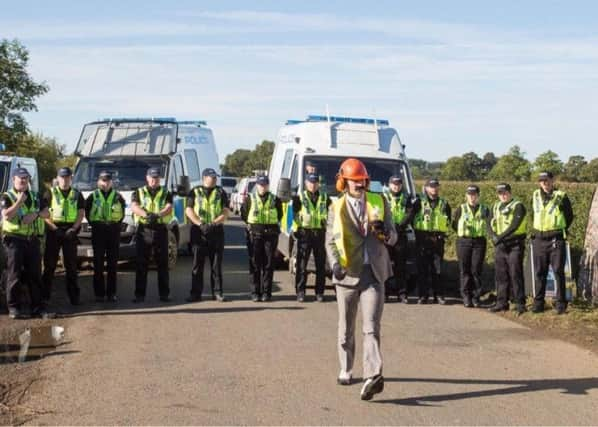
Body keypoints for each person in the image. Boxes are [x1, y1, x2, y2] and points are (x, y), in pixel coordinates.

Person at [326, 158, 397, 401]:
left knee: (371, 327)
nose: (359, 184)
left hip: (374, 273)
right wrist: (334, 264)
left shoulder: (379, 201)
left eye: (361, 180)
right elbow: (330, 240)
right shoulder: (335, 207)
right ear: (343, 182)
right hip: (347, 273)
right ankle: (346, 368)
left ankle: (372, 376)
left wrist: (385, 234)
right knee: (346, 327)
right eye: (354, 180)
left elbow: (394, 236)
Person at [1, 168, 51, 319]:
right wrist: (19, 202)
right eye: (20, 178)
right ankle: (14, 308)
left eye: (26, 178)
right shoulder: (7, 196)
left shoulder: (35, 195)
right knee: (14, 275)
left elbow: (47, 213)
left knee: (35, 275)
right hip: (14, 240)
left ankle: (37, 307)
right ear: (14, 179)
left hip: (32, 239)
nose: (23, 180)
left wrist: (35, 215)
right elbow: (7, 215)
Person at [530, 171, 574, 314]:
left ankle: (561, 304)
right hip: (539, 239)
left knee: (558, 272)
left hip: (556, 239)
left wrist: (559, 230)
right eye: (541, 180)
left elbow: (569, 216)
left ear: (552, 180)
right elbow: (533, 214)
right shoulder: (535, 195)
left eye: (547, 180)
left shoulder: (561, 196)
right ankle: (538, 303)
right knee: (539, 273)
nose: (544, 183)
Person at [185, 168, 230, 302]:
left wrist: (214, 223)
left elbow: (226, 211)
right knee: (197, 265)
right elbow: (189, 210)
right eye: (212, 177)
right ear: (204, 178)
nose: (214, 179)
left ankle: (217, 292)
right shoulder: (194, 192)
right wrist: (200, 224)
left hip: (216, 231)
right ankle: (195, 293)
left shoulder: (221, 192)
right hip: (199, 231)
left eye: (215, 177)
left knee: (216, 264)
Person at [42, 167, 85, 306]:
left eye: (67, 177)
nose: (65, 180)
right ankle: (45, 297)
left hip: (70, 232)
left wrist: (74, 229)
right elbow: (44, 214)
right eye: (62, 177)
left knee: (71, 266)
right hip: (54, 230)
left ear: (71, 178)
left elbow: (80, 214)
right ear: (57, 178)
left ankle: (74, 297)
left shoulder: (77, 194)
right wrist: (55, 229)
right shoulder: (50, 193)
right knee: (49, 266)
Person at [130, 167, 173, 303]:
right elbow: (134, 206)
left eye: (157, 178)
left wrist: (158, 215)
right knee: (141, 263)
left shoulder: (166, 192)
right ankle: (139, 295)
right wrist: (147, 215)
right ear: (147, 178)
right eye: (152, 178)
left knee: (162, 264)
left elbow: (169, 207)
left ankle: (164, 294)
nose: (154, 180)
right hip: (144, 230)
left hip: (160, 229)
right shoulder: (139, 191)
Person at [240, 175, 283, 302]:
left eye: (265, 185)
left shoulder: (275, 199)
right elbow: (244, 214)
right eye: (260, 185)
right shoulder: (250, 199)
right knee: (254, 264)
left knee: (268, 265)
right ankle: (255, 292)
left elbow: (279, 215)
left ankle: (266, 293)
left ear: (268, 186)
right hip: (255, 235)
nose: (262, 187)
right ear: (257, 186)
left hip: (270, 235)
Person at [85, 171, 126, 302]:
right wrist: (97, 225)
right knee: (97, 264)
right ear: (99, 181)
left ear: (111, 182)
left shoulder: (118, 196)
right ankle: (99, 294)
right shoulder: (92, 196)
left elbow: (122, 214)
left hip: (113, 231)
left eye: (108, 180)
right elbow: (87, 213)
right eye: (103, 180)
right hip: (98, 231)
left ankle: (111, 293)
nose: (105, 183)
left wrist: (114, 225)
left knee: (113, 264)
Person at [488, 183, 527, 314]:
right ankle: (501, 302)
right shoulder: (495, 206)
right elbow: (489, 222)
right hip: (500, 245)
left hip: (515, 244)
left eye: (505, 192)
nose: (503, 195)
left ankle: (520, 303)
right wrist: (493, 236)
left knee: (515, 273)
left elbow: (514, 225)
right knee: (501, 275)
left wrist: (500, 237)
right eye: (500, 193)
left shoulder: (518, 205)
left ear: (510, 192)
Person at [292, 173, 331, 302]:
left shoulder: (326, 198)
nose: (313, 185)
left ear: (318, 184)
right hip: (305, 234)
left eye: (315, 183)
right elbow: (294, 216)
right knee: (302, 265)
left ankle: (319, 292)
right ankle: (301, 292)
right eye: (310, 182)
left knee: (321, 265)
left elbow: (331, 216)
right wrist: (296, 230)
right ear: (306, 183)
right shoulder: (299, 197)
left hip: (320, 234)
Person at [413, 178, 451, 304]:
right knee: (422, 269)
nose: (434, 189)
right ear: (426, 188)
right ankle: (423, 296)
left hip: (437, 239)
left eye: (436, 186)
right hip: (422, 238)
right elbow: (412, 217)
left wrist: (442, 234)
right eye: (431, 186)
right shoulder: (419, 202)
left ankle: (438, 295)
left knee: (438, 269)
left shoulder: (444, 203)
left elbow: (448, 220)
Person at [451, 185, 490, 308]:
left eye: (474, 195)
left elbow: (490, 224)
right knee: (465, 270)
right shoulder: (461, 209)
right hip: (464, 241)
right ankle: (466, 296)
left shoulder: (485, 209)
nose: (472, 197)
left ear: (478, 195)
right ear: (466, 196)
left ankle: (476, 297)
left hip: (479, 242)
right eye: (470, 194)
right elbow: (454, 225)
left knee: (476, 270)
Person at [383, 175, 417, 303]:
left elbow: (410, 213)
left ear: (401, 185)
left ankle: (402, 294)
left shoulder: (406, 198)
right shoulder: (384, 197)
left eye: (398, 184)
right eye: (394, 184)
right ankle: (385, 293)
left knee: (400, 266)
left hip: (401, 234)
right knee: (385, 264)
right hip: (386, 234)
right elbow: (379, 212)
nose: (396, 186)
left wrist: (400, 225)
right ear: (389, 184)